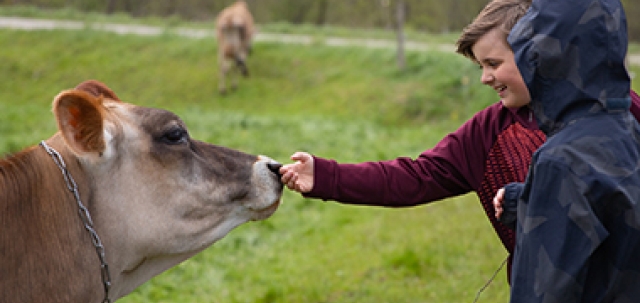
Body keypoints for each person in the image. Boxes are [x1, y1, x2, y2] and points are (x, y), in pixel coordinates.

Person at [279, 0, 640, 284]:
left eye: (493, 63)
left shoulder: (618, 112)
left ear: (537, 53)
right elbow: (415, 177)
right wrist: (326, 177)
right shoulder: (486, 135)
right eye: (480, 66)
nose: (485, 78)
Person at [490, 0, 640, 301]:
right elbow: (616, 209)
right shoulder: (629, 132)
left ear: (542, 58)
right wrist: (529, 200)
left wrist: (546, 194)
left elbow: (542, 293)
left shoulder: (561, 162)